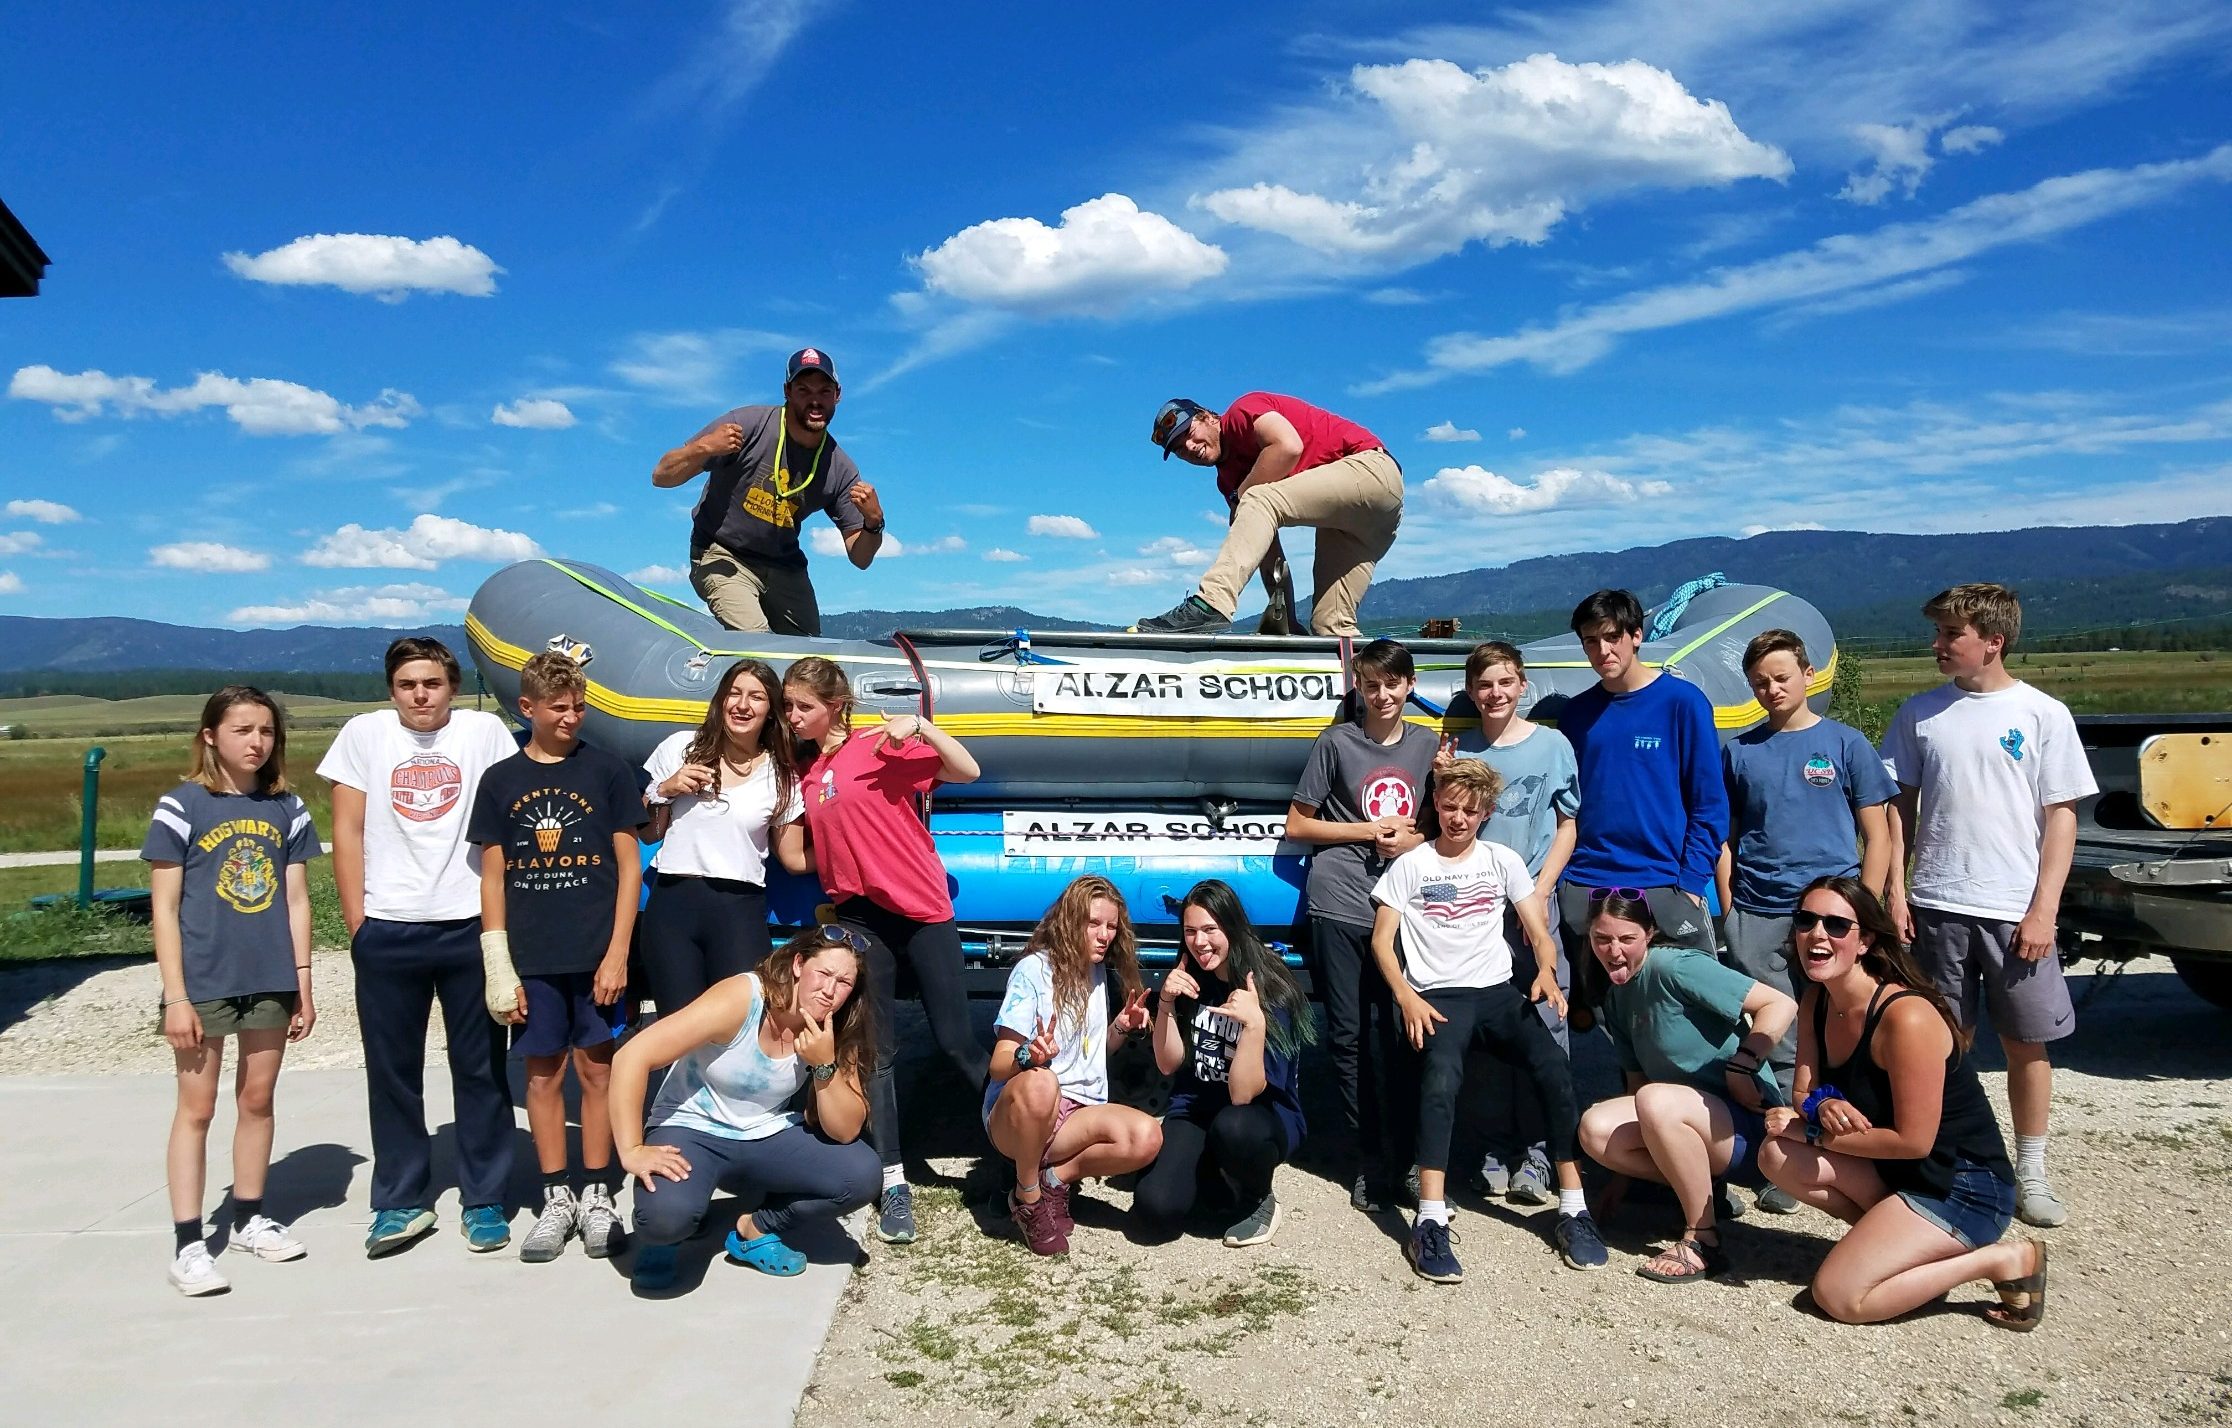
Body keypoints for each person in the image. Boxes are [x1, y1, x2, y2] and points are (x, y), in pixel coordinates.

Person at [1880, 584, 2094, 1230]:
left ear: (1993, 641)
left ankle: (2030, 1169)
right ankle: (1952, 1164)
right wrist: (1895, 890)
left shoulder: (2041, 714)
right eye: (1940, 634)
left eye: (1952, 635)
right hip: (1936, 903)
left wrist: (2043, 909)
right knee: (1939, 1046)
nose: (1938, 646)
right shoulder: (1920, 714)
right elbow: (1898, 812)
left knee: (2026, 1043)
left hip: (2012, 909)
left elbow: (2061, 819)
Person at [1759, 877, 2045, 1330]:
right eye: (1806, 920)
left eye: (1836, 924)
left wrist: (1813, 1130)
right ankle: (1898, 1253)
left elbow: (1913, 1142)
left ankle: (1999, 1259)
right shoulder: (1818, 998)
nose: (1817, 933)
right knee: (1776, 1153)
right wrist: (1821, 1104)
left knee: (1838, 1296)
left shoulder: (1905, 1017)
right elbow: (1802, 1092)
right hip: (1900, 1173)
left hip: (1961, 1185)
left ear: (1865, 940)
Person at [1369, 759, 1608, 1283]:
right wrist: (1407, 997)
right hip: (1439, 997)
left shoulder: (1502, 860)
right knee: (1440, 1082)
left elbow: (1538, 929)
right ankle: (1429, 1221)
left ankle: (1573, 1207)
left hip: (1498, 993)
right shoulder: (1411, 865)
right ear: (1436, 805)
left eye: (1470, 810)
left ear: (1487, 813)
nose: (1458, 818)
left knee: (1553, 1068)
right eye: (1450, 807)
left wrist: (1546, 969)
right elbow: (1381, 942)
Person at [320, 637, 521, 1257]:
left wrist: (502, 929)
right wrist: (360, 925)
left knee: (482, 1069)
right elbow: (346, 831)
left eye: (431, 683)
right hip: (390, 924)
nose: (420, 695)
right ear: (391, 689)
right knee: (392, 1073)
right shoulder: (364, 735)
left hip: (467, 923)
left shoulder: (484, 732)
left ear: (452, 687)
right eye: (407, 684)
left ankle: (484, 1196)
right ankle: (400, 1200)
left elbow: (509, 820)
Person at [784, 656, 988, 1246]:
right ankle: (893, 1180)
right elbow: (803, 855)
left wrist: (919, 727)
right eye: (790, 706)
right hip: (859, 917)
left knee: (956, 1041)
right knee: (877, 1052)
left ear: (835, 704)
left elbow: (968, 770)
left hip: (922, 910)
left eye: (806, 706)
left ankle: (1025, 1149)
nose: (795, 716)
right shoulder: (808, 772)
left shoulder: (879, 746)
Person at [468, 651, 647, 1263]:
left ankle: (598, 1190)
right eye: (559, 707)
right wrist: (499, 964)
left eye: (579, 706)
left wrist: (619, 951)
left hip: (596, 953)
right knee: (543, 1075)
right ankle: (555, 1197)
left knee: (597, 1070)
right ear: (528, 708)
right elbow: (492, 879)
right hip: (531, 956)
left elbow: (629, 865)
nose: (572, 717)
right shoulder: (501, 781)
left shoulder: (608, 772)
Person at [144, 686, 321, 1296]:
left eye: (266, 730)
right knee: (197, 1108)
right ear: (210, 735)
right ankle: (189, 1241)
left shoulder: (287, 808)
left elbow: (296, 900)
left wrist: (302, 979)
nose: (256, 742)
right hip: (205, 982)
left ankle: (250, 1217)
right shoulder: (181, 806)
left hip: (270, 976)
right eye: (243, 729)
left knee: (257, 1099)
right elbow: (163, 909)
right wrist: (176, 995)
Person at [1716, 628, 1896, 1214]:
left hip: (1829, 913)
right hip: (1759, 908)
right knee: (1769, 1031)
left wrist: (1863, 910)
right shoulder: (1740, 751)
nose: (1771, 689)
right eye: (1760, 681)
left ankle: (1848, 1139)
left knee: (1832, 1023)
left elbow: (1879, 833)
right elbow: (1727, 837)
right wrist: (1728, 901)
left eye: (1781, 677)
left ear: (1809, 674)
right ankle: (1777, 1148)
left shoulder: (1845, 745)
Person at [610, 926, 883, 1292]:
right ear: (799, 964)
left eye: (845, 982)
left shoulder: (839, 1024)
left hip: (763, 1133)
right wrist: (631, 1150)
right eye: (824, 974)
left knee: (861, 1176)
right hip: (692, 1129)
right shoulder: (744, 997)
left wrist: (822, 1065)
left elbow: (845, 1130)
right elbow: (632, 1056)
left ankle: (755, 1229)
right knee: (665, 1219)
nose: (831, 990)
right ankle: (664, 1240)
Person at [1576, 892, 1796, 1283]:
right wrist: (1621, 1177)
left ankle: (1702, 1238)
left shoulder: (1674, 967)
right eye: (1602, 939)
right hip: (1685, 1121)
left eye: (1626, 939)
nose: (1613, 951)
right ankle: (1703, 1192)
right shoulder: (1617, 996)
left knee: (1655, 1099)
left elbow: (1779, 1004)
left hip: (1748, 1126)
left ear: (1649, 934)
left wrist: (1743, 1065)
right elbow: (1635, 1086)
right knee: (1595, 1129)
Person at [1285, 637, 1434, 1212]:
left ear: (1410, 685)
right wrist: (1369, 831)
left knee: (1401, 1034)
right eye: (1371, 685)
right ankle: (1368, 1158)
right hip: (1339, 901)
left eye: (1393, 684)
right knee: (1347, 1036)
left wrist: (1413, 838)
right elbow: (1299, 824)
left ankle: (1409, 1157)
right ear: (1359, 687)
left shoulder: (1427, 745)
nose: (1382, 695)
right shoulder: (1336, 742)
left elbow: (1439, 822)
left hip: (1400, 908)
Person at [1438, 640, 1580, 1207]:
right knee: (1487, 1031)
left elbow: (1568, 825)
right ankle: (1494, 1149)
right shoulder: (1461, 751)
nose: (1494, 694)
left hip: (1535, 907)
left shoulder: (1551, 746)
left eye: (1505, 682)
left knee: (1547, 1024)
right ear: (1472, 691)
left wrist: (1540, 892)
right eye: (1484, 685)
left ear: (1523, 685)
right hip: (1477, 914)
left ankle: (1544, 1152)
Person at [651, 346, 886, 635]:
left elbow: (860, 558)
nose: (815, 401)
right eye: (804, 390)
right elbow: (661, 476)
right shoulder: (746, 425)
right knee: (757, 641)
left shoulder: (839, 467)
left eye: (824, 391)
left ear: (838, 395)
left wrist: (874, 523)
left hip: (784, 566)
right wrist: (704, 448)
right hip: (723, 553)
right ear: (787, 391)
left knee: (810, 664)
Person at [983, 876, 1162, 1256]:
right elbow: (999, 1065)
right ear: (1069, 920)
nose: (1104, 935)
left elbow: (1092, 1056)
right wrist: (1028, 1055)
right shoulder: (1034, 970)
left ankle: (1054, 1178)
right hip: (1021, 1114)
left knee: (1147, 1137)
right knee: (1043, 1083)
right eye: (1093, 924)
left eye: (1111, 927)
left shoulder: (1097, 973)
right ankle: (1027, 1196)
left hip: (1076, 1112)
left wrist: (1121, 1028)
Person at [1134, 880, 1314, 1247]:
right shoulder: (1192, 978)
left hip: (1258, 1116)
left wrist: (1255, 1024)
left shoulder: (1270, 986)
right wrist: (1166, 1005)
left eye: (1210, 930)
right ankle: (1214, 1175)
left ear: (1232, 927)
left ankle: (1258, 1199)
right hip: (1198, 1108)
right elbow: (1169, 1066)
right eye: (1190, 931)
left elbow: (1244, 1094)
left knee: (1233, 1128)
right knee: (1156, 1208)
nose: (1199, 942)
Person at [1135, 393, 1403, 636]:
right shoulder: (1228, 481)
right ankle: (1369, 682)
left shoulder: (1241, 413)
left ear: (1208, 417)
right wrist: (1285, 618)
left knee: (1255, 497)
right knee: (1330, 626)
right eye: (1180, 449)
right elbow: (1267, 552)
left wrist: (1241, 499)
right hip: (1361, 518)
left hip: (1371, 471)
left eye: (1190, 433)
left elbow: (1287, 446)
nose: (1190, 447)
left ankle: (1211, 604)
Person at [1556, 589, 1726, 961]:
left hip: (1663, 884)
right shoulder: (1576, 715)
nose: (1603, 651)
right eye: (1591, 641)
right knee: (1596, 1015)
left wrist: (1692, 885)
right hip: (1587, 884)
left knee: (1683, 1009)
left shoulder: (1682, 703)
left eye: (1612, 637)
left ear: (1636, 635)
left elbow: (1710, 803)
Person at [640, 659, 807, 1018]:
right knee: (677, 1031)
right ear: (720, 701)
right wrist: (665, 790)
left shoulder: (782, 776)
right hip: (673, 905)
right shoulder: (681, 747)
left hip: (738, 911)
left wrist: (863, 852)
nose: (743, 705)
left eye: (756, 697)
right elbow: (648, 831)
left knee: (742, 1026)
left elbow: (793, 859)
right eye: (734, 693)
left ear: (770, 710)